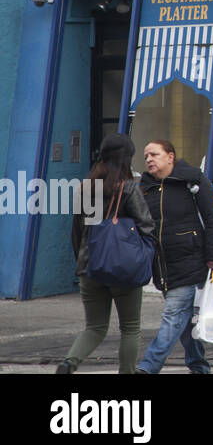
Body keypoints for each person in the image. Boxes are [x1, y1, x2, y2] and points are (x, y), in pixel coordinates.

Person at [58, 134, 156, 374]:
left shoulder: (84, 189)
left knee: (94, 327)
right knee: (130, 327)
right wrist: (143, 256)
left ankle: (69, 363)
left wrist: (82, 263)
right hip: (124, 268)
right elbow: (147, 227)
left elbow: (77, 231)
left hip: (90, 268)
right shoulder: (130, 189)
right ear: (125, 160)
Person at [136, 139, 213, 374]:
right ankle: (199, 367)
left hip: (191, 261)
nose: (149, 160)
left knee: (173, 316)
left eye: (154, 154)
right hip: (162, 265)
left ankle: (148, 367)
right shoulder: (144, 189)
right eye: (146, 156)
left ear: (170, 157)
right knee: (184, 322)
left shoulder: (192, 181)